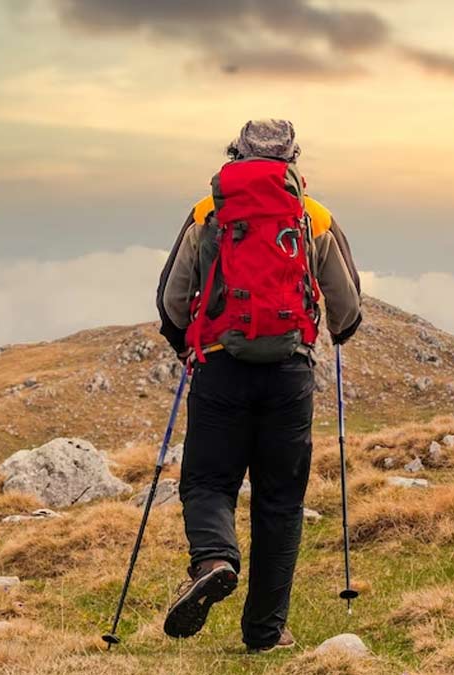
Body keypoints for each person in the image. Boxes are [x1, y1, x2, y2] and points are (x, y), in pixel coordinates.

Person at [155, 119, 362, 652]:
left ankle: (216, 559)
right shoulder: (312, 216)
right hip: (288, 375)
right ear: (293, 158)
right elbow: (348, 309)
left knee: (207, 483)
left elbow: (172, 301)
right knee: (280, 502)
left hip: (221, 367)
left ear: (235, 155)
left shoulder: (209, 211)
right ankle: (265, 634)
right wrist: (334, 333)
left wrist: (186, 344)